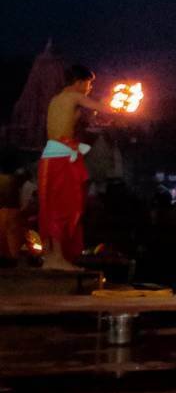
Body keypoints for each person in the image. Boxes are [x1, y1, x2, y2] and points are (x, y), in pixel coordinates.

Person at [37, 64, 105, 269]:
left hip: (52, 155)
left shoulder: (56, 100)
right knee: (62, 206)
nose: (90, 88)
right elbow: (106, 108)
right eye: (89, 83)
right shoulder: (74, 96)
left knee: (51, 205)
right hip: (61, 157)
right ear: (79, 82)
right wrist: (118, 104)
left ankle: (51, 256)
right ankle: (57, 257)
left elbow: (74, 123)